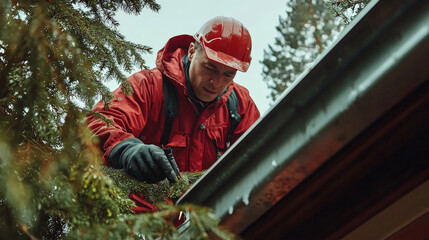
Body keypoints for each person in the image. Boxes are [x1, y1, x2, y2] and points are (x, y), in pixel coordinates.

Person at [87, 16, 260, 213]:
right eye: (210, 68)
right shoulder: (149, 85)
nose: (216, 83)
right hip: (139, 222)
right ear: (193, 51)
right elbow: (99, 120)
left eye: (228, 74)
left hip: (201, 226)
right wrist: (127, 149)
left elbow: (259, 156)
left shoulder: (240, 106)